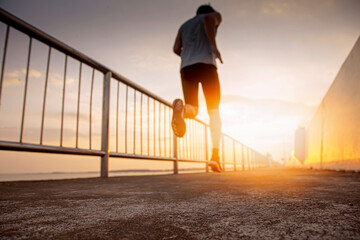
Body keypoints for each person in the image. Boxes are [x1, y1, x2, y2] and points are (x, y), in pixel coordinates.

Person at [172, 4, 223, 172]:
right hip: (207, 66)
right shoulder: (211, 16)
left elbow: (175, 49)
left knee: (193, 108)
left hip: (187, 67)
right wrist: (213, 46)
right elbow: (209, 19)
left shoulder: (184, 25)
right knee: (214, 112)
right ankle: (215, 157)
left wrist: (188, 56)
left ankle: (182, 111)